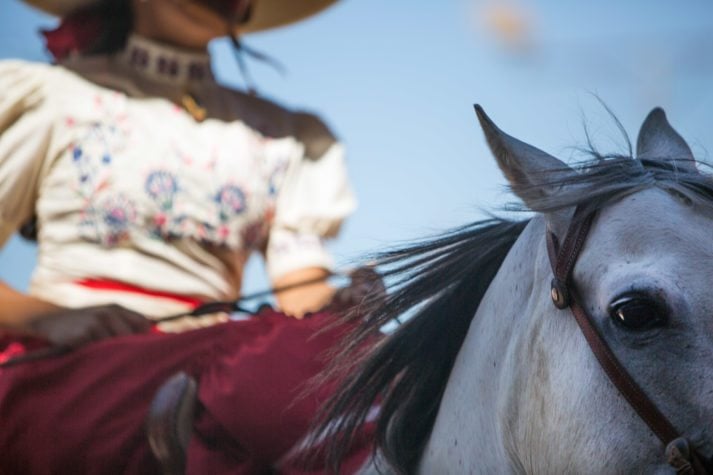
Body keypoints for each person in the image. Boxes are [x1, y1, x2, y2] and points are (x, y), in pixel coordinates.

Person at [0, 0, 379, 472]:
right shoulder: (58, 96)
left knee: (366, 365)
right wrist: (48, 318)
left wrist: (341, 313)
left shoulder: (283, 135)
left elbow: (301, 292)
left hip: (229, 372)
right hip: (78, 371)